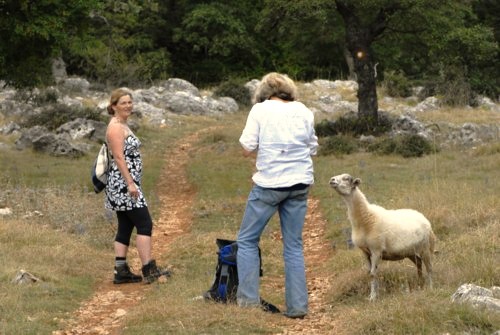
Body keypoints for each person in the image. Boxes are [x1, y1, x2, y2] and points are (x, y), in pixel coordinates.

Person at [236, 72, 318, 318]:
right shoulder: (303, 110)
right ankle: (298, 307)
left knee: (247, 240)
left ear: (263, 92)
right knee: (293, 245)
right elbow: (313, 146)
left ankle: (248, 303)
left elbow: (247, 147)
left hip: (270, 183)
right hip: (300, 182)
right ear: (289, 90)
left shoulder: (260, 111)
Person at [105, 88, 169, 284]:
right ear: (114, 106)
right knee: (144, 224)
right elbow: (118, 157)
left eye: (130, 102)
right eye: (123, 103)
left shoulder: (122, 124)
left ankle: (120, 271)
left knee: (126, 225)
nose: (128, 106)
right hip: (124, 185)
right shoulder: (115, 127)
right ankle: (148, 269)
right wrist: (131, 183)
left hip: (124, 183)